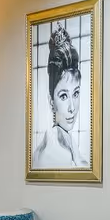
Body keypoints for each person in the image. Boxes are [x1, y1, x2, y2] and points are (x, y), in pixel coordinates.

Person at [32, 26, 89, 169]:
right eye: (63, 96)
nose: (72, 108)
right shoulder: (52, 149)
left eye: (75, 94)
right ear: (51, 101)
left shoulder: (65, 138)